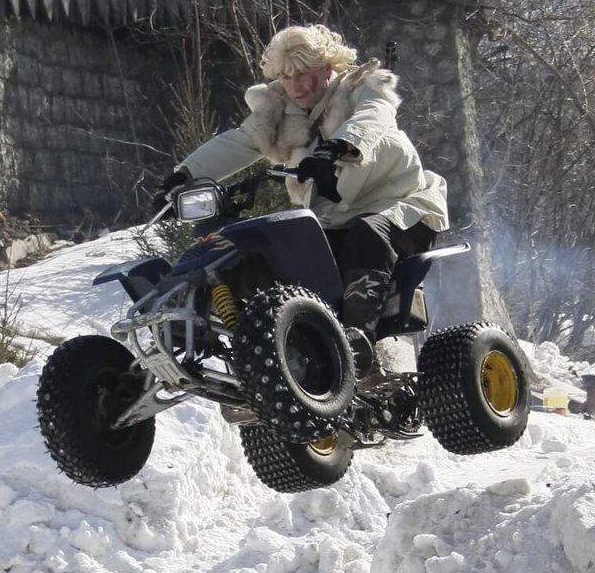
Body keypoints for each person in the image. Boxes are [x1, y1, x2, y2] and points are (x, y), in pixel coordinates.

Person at [156, 24, 450, 345]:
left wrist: (337, 146)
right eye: (286, 76)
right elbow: (242, 141)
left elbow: (374, 113)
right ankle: (233, 337)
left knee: (367, 234)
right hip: (333, 220)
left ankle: (356, 339)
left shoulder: (360, 87)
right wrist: (183, 176)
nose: (296, 85)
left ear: (326, 68)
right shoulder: (282, 109)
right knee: (270, 254)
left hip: (400, 206)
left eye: (304, 73)